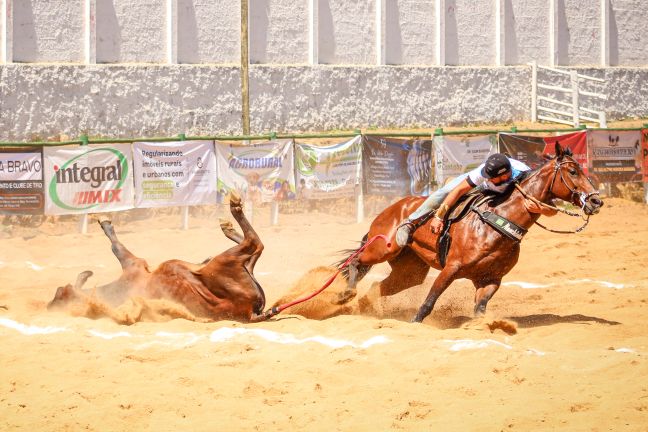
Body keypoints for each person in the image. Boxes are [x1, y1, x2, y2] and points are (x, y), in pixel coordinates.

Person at [395, 152, 555, 247]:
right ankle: (409, 222)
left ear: (505, 175)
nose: (488, 178)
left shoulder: (524, 175)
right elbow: (458, 191)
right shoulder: (482, 174)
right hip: (481, 187)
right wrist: (438, 216)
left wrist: (541, 209)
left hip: (504, 192)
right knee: (444, 192)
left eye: (491, 177)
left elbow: (552, 209)